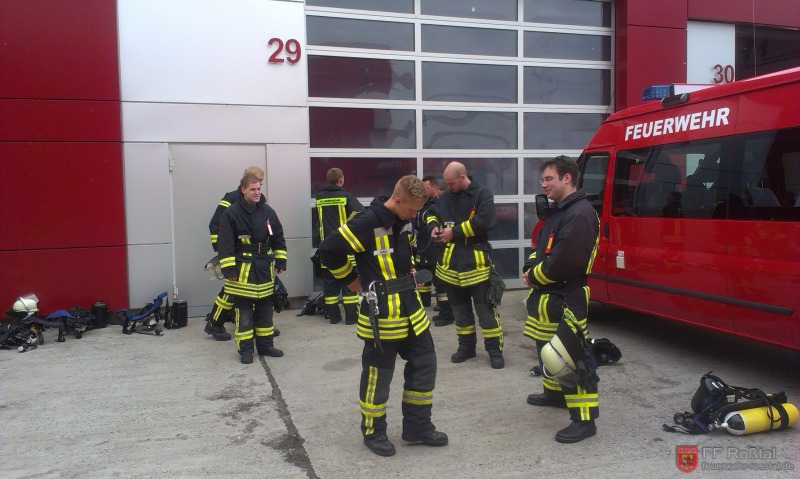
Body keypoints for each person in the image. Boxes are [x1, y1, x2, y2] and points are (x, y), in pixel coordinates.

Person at [319, 175, 448, 457]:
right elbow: (328, 251)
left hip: (412, 310)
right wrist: (350, 279)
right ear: (398, 200)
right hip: (382, 315)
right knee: (378, 375)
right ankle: (374, 431)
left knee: (425, 364)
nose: (414, 215)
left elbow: (403, 253)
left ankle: (417, 427)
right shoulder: (366, 222)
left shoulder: (404, 220)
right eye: (412, 210)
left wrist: (411, 268)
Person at [523, 155, 600, 443]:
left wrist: (534, 276)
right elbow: (541, 247)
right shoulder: (558, 211)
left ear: (567, 178)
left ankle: (584, 421)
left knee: (571, 357)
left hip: (567, 295)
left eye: (549, 179)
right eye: (542, 179)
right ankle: (554, 394)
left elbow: (565, 261)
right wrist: (529, 267)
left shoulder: (580, 213)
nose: (543, 185)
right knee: (546, 349)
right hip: (549, 296)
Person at [430, 162, 504, 369]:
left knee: (486, 312)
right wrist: (433, 226)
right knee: (460, 312)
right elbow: (433, 212)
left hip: (476, 263)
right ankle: (466, 347)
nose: (448, 187)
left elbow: (485, 221)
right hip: (452, 266)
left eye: (451, 183)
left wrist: (454, 232)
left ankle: (494, 350)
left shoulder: (482, 194)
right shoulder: (446, 197)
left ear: (462, 178)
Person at [217, 170, 287, 364]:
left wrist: (281, 261)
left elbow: (278, 237)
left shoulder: (267, 211)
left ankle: (266, 346)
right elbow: (225, 244)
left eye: (259, 189)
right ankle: (246, 350)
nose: (257, 192)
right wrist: (229, 270)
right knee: (244, 314)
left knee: (265, 312)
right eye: (252, 189)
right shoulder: (231, 213)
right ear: (243, 190)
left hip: (264, 268)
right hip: (242, 271)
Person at [205, 166, 268, 341]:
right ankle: (214, 323)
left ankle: (254, 324)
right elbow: (215, 225)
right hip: (236, 255)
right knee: (231, 290)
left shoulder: (259, 201)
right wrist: (224, 251)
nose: (260, 185)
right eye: (258, 180)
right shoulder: (231, 199)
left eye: (261, 182)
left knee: (254, 291)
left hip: (255, 257)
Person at [314, 168, 365, 324]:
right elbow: (362, 213)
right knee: (349, 284)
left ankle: (334, 318)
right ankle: (352, 318)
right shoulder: (346, 197)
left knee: (330, 287)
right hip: (345, 248)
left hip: (326, 249)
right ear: (341, 180)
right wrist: (349, 224)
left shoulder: (319, 198)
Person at [414, 177, 454, 326]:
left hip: (436, 248)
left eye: (426, 188)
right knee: (424, 275)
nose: (423, 191)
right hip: (424, 246)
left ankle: (446, 313)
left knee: (440, 282)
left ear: (435, 188)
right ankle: (439, 308)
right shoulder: (424, 204)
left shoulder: (438, 204)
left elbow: (434, 217)